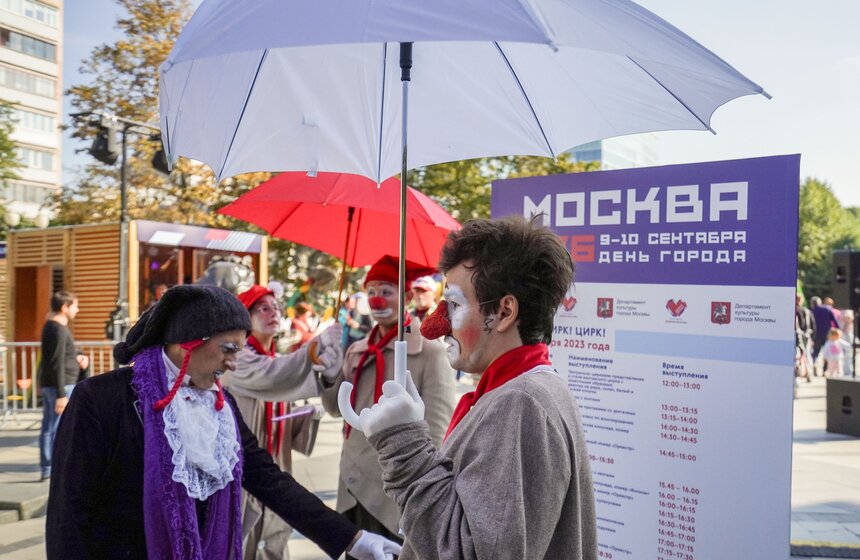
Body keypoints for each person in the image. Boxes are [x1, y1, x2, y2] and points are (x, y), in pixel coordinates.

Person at [45, 285, 400, 560]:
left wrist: (352, 538)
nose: (233, 362)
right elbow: (68, 512)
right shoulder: (101, 398)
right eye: (229, 348)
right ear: (188, 344)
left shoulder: (219, 404)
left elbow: (268, 479)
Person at [346, 217, 597, 559]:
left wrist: (403, 444)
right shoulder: (525, 390)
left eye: (452, 304)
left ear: (505, 311)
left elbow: (473, 553)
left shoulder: (521, 403)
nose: (437, 325)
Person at [321, 256, 456, 552]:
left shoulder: (430, 352)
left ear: (406, 297)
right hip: (352, 485)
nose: (376, 299)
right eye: (371, 291)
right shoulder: (357, 350)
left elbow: (437, 428)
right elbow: (336, 409)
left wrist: (422, 490)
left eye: (386, 291)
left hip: (395, 490)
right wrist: (329, 373)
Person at [225, 282, 344, 560]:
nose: (273, 313)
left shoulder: (276, 361)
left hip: (277, 472)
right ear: (245, 318)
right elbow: (273, 375)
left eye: (275, 307)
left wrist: (308, 415)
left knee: (273, 546)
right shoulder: (238, 360)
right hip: (246, 478)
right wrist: (317, 342)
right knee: (241, 547)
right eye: (262, 308)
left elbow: (285, 430)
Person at [37, 291, 88, 481]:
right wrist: (60, 394)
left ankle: (51, 466)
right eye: (75, 306)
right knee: (55, 428)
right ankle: (51, 467)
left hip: (60, 384)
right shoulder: (57, 329)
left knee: (52, 426)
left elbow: (60, 357)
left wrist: (78, 358)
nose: (78, 310)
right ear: (64, 307)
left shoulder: (54, 328)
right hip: (60, 386)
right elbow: (56, 362)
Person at [810, 296, 839, 372]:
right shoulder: (828, 309)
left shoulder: (812, 310)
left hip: (816, 334)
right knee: (827, 352)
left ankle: (813, 365)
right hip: (827, 334)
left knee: (816, 351)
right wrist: (837, 331)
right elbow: (835, 322)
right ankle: (824, 370)